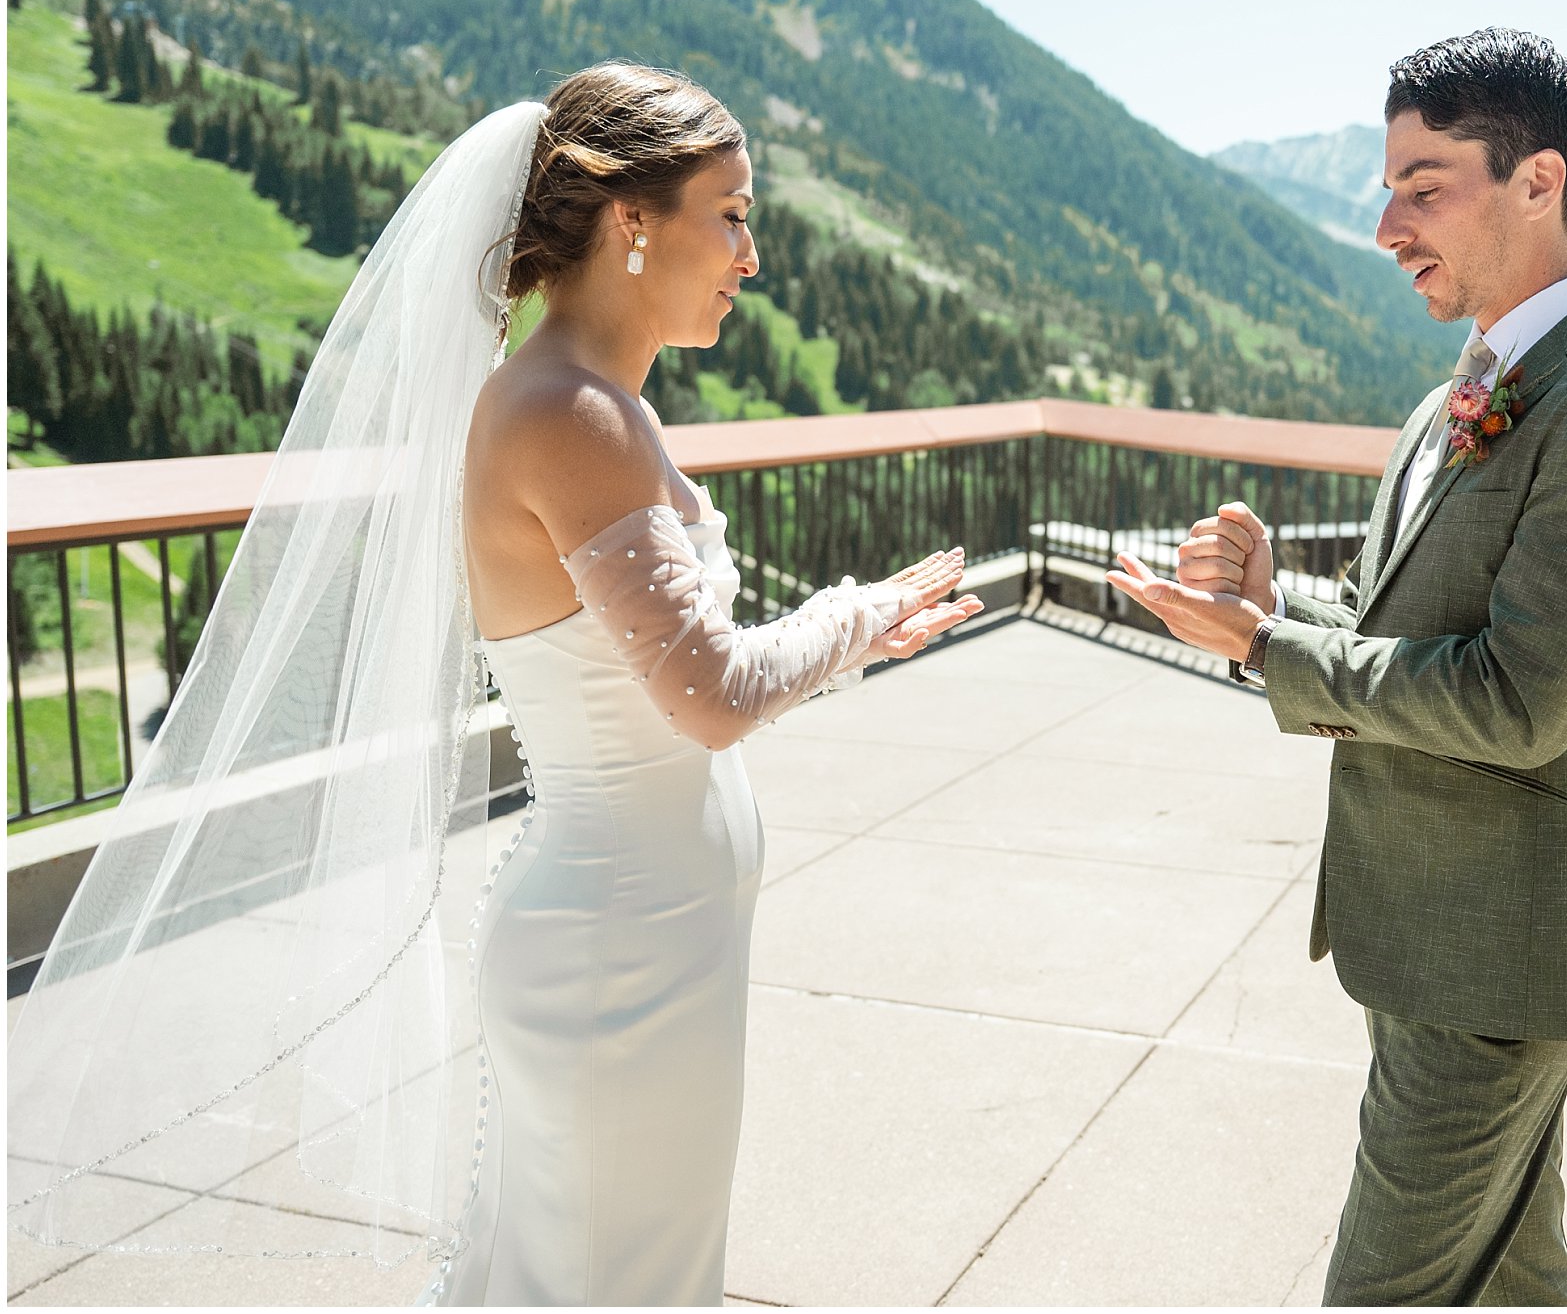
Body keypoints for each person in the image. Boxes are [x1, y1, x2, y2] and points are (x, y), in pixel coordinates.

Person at [7, 63, 979, 1306]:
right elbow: (710, 696)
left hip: (659, 938)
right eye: (731, 214)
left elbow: (664, 689)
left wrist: (848, 642)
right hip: (618, 951)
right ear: (632, 220)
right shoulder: (566, 412)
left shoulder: (598, 404)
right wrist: (862, 611)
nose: (753, 255)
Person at [1108, 29, 1567, 1305]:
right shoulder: (1465, 386)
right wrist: (1284, 597)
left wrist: (1274, 649)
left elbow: (1515, 697)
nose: (1385, 223)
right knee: (1510, 1278)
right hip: (1431, 938)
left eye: (1421, 185)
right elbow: (1416, 620)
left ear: (1538, 182)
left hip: (1496, 964)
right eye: (1387, 188)